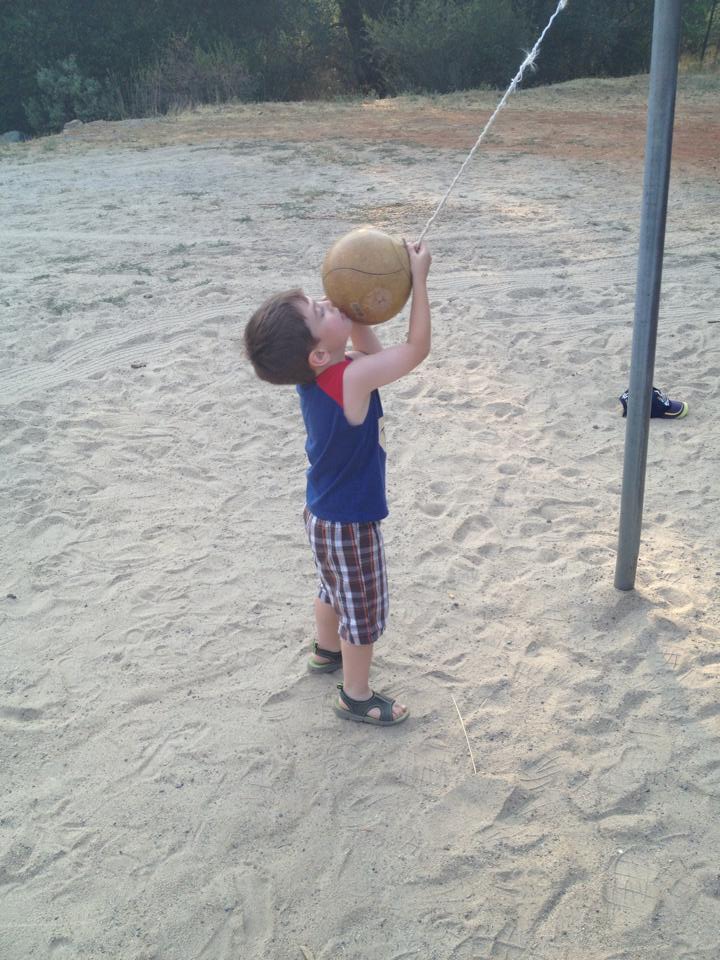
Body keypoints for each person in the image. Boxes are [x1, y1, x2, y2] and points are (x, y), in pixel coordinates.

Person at [244, 240, 432, 726]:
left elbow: (372, 353)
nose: (327, 300)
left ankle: (326, 651)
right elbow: (415, 350)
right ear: (318, 352)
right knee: (361, 609)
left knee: (332, 587)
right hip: (350, 520)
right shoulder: (349, 378)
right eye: (318, 308)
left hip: (320, 513)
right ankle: (355, 694)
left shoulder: (327, 373)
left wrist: (356, 306)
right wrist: (421, 281)